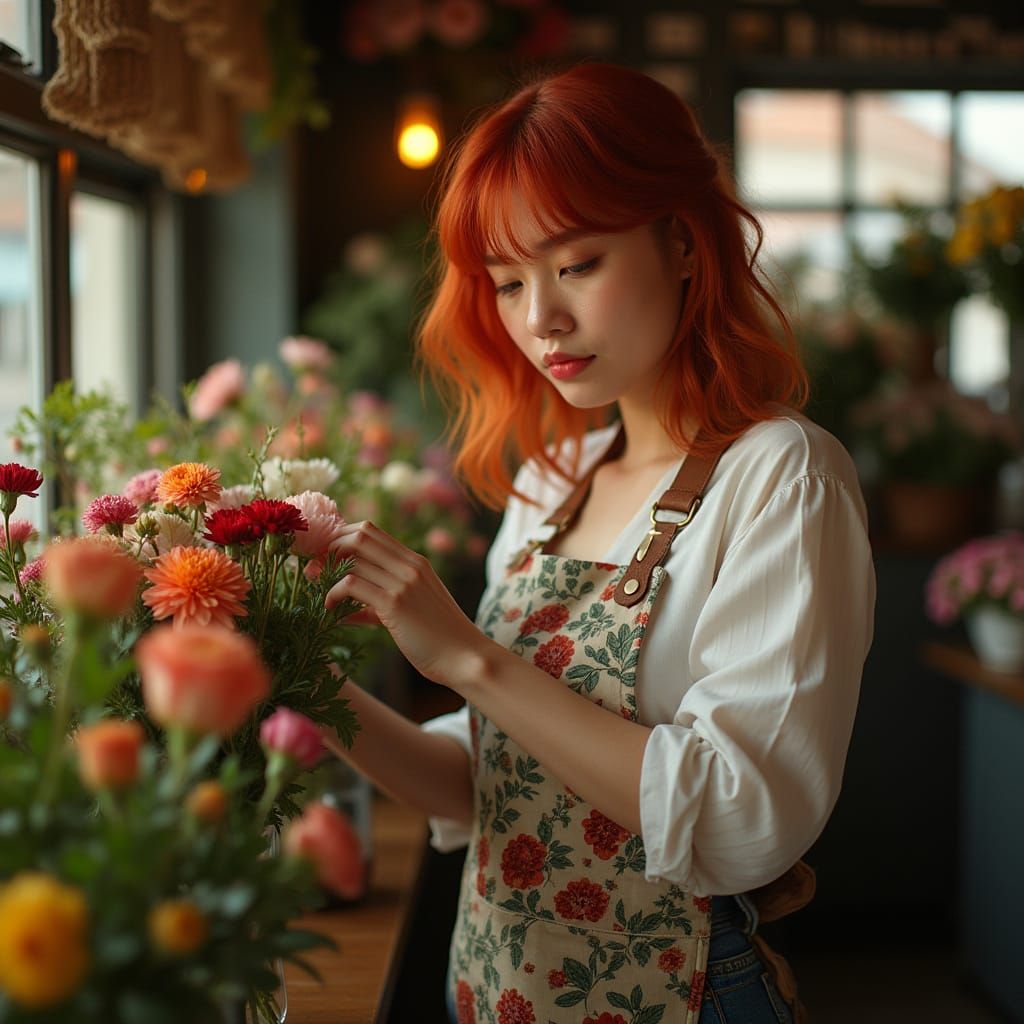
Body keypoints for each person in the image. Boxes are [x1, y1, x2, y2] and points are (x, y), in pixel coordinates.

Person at [322, 62, 875, 1024]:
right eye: (506, 283)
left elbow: (745, 820)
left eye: (577, 264)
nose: (542, 320)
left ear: (683, 242)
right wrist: (307, 689)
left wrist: (467, 658)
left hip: (682, 996)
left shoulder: (782, 476)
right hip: (494, 991)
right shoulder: (551, 482)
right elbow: (494, 774)